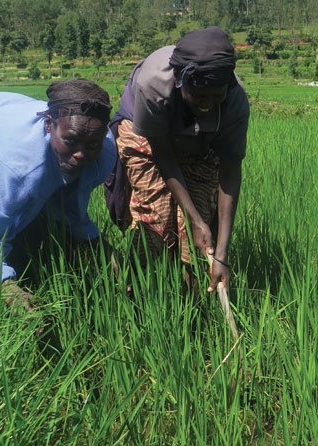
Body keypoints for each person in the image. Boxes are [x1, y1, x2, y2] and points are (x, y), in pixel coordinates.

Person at [0, 78, 118, 309]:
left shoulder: (104, 152)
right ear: (48, 124)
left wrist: (93, 242)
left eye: (92, 144)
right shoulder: (20, 164)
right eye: (70, 141)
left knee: (39, 201)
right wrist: (3, 285)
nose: (81, 154)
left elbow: (72, 200)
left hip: (5, 113)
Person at [104, 26, 249, 293]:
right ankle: (132, 296)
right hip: (145, 133)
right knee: (157, 221)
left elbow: (229, 173)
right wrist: (192, 217)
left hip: (198, 141)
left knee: (197, 239)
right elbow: (162, 154)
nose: (208, 105)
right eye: (199, 96)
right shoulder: (154, 86)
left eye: (217, 97)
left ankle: (191, 304)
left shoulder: (235, 100)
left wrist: (220, 253)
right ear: (181, 81)